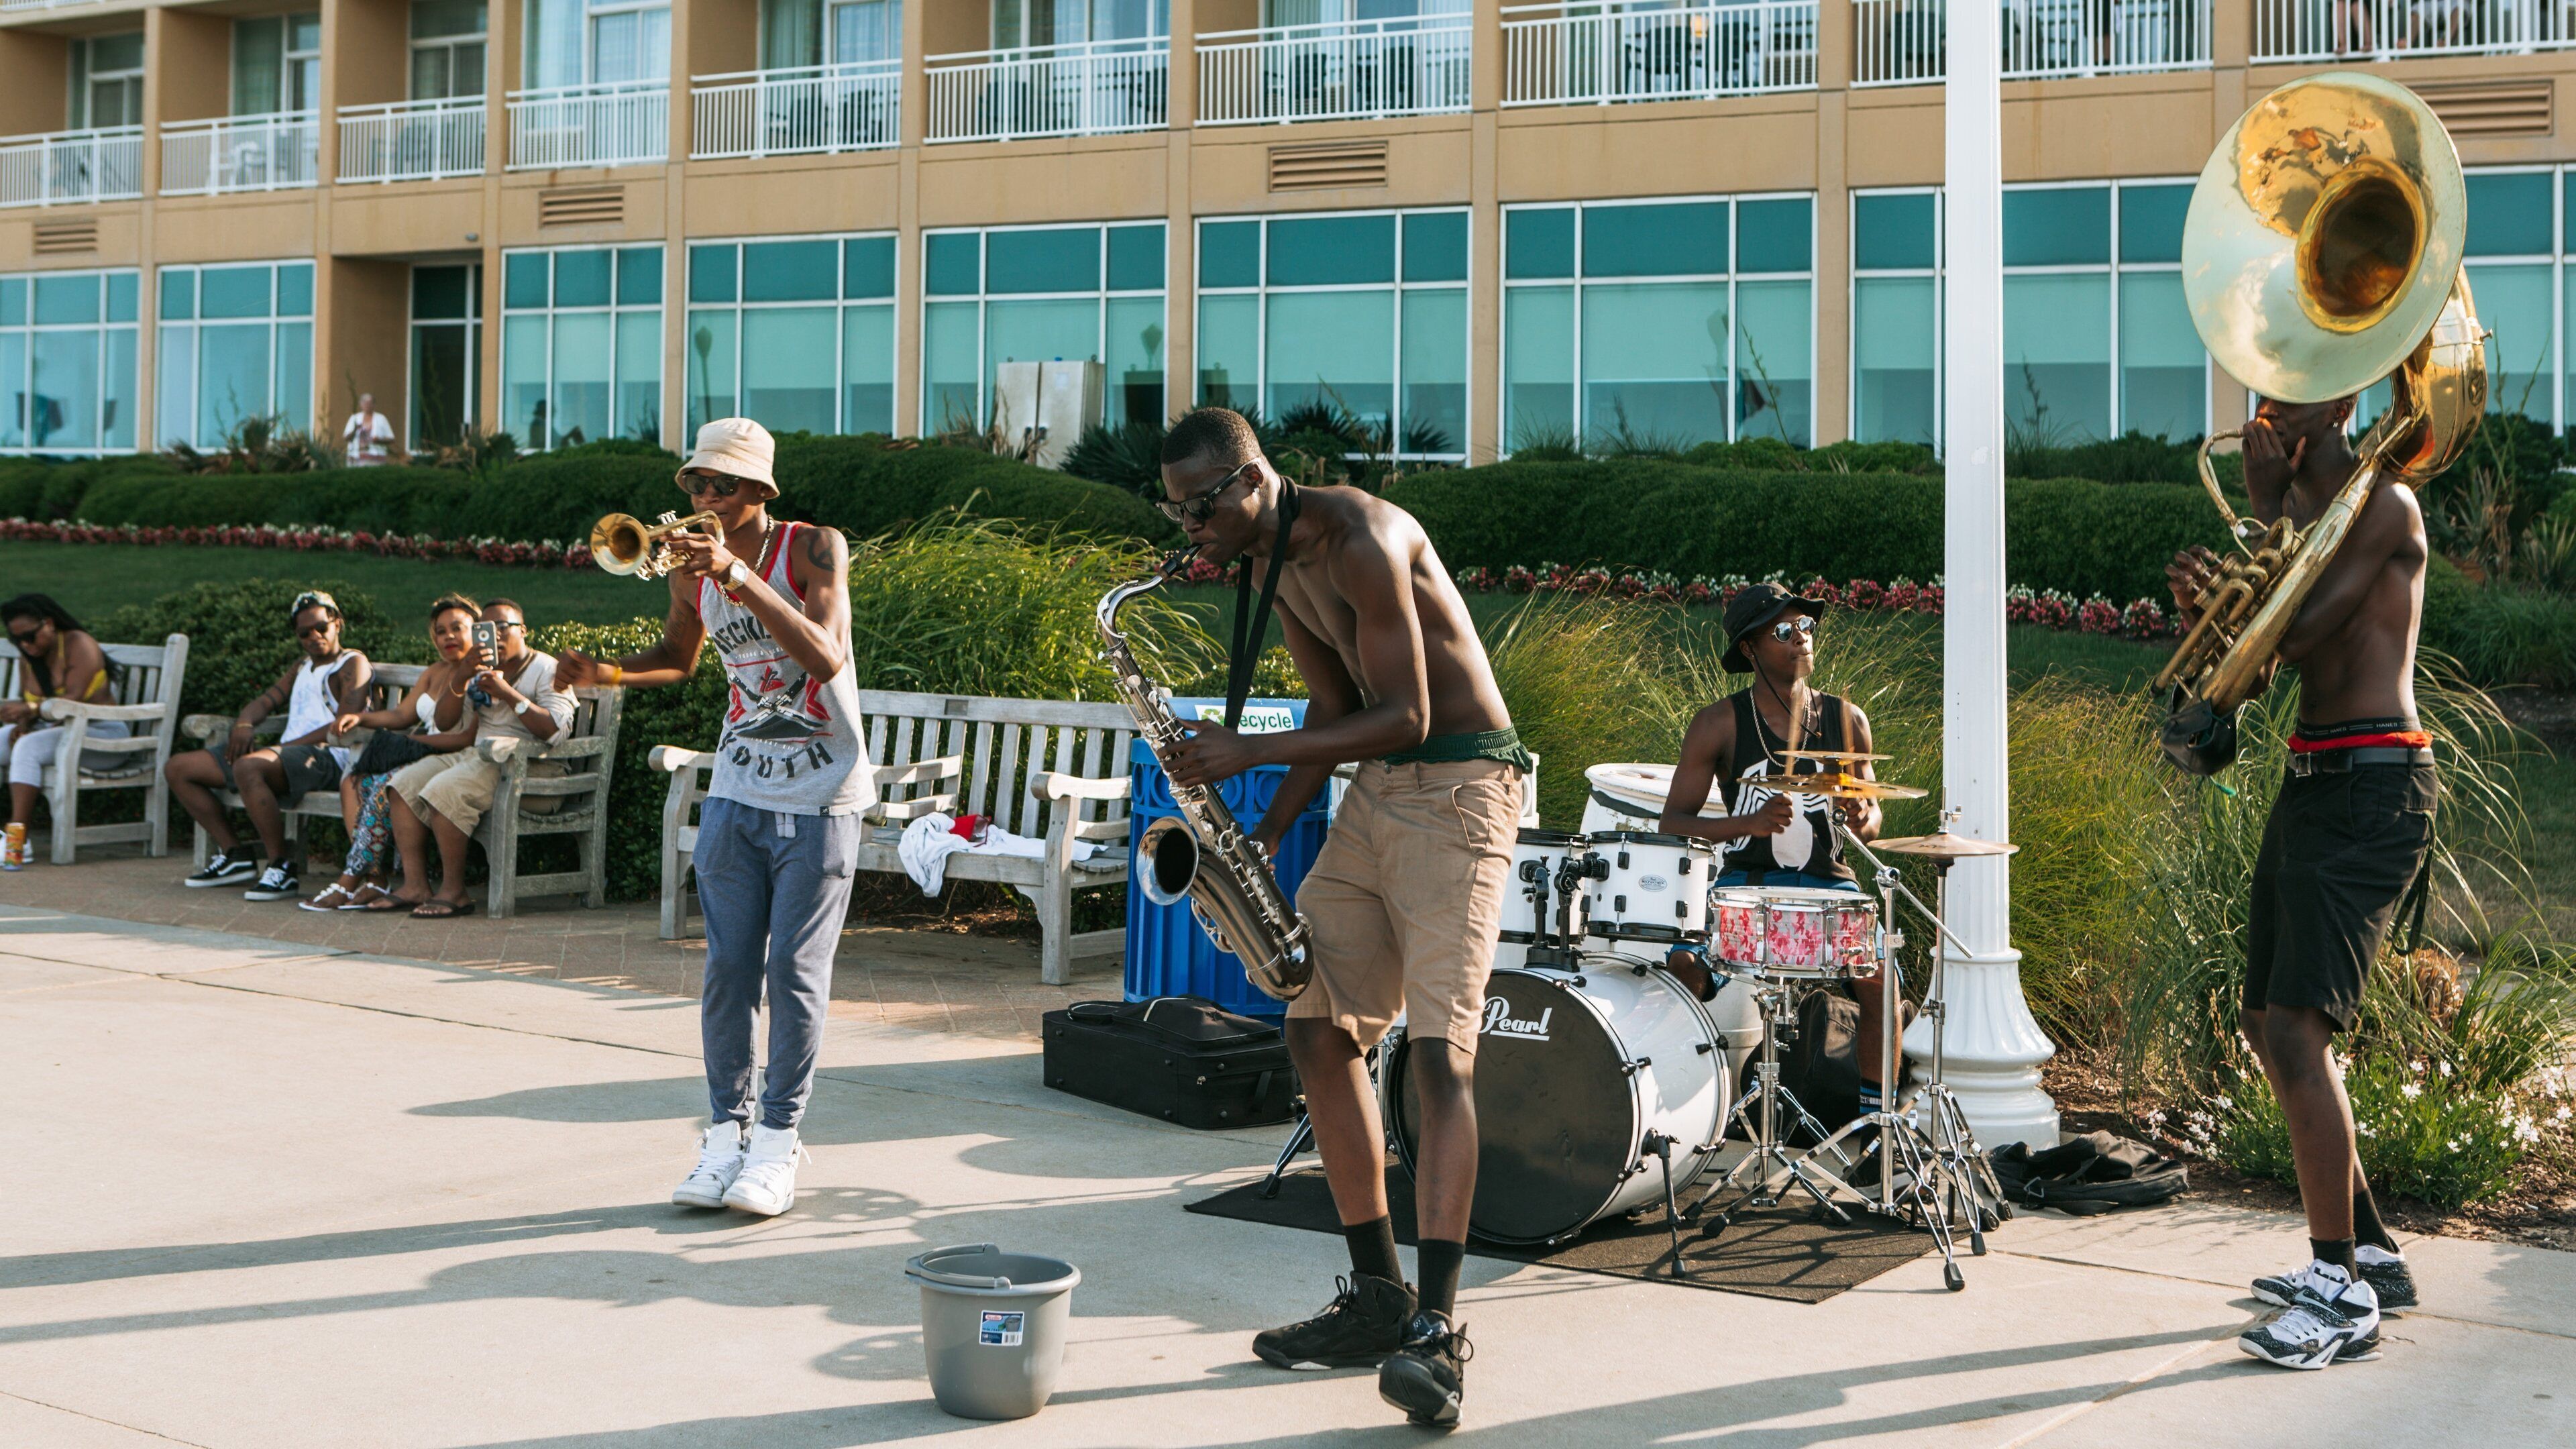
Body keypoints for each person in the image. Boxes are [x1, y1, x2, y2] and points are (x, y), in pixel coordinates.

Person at [1157, 407, 1525, 1428]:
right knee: (1315, 1030)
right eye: (1176, 510)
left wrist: (1244, 751)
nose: (1189, 529)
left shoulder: (1364, 535)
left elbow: (1407, 714)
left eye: (1198, 508)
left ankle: (1437, 1332)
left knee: (1440, 1056)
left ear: (1249, 480)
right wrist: (1267, 830)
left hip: (1460, 789)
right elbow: (1331, 714)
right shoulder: (1270, 569)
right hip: (1375, 797)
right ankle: (1376, 1296)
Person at [2167, 394, 2431, 1369]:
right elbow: (2252, 662)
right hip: (2318, 773)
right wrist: (2210, 598)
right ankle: (2367, 1251)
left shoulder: (2383, 506)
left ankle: (2338, 1292)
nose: (2266, 400)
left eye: (2293, 382)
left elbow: (2296, 628)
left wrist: (2261, 515)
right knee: (2259, 1017)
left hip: (2374, 781)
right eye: (2260, 382)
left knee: (2295, 1028)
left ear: (2347, 398)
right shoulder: (2316, 520)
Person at [554, 417, 873, 1220]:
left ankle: (777, 1140)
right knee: (728, 970)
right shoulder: (685, 571)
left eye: (720, 486)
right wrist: (609, 672)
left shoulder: (813, 547)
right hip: (737, 787)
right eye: (695, 484)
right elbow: (682, 658)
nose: (702, 497)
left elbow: (826, 655)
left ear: (760, 491)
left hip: (822, 791)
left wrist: (737, 573)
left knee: (792, 978)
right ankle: (725, 1135)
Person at [1654, 582, 1902, 1140]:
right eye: (1784, 632)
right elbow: (1673, 822)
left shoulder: (1848, 720)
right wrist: (1747, 823)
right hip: (1747, 884)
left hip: (1830, 886)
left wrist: (1865, 818)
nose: (1801, 640)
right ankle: (1680, 1110)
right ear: (1750, 649)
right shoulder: (1718, 724)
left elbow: (1873, 817)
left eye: (1807, 628)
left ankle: (1874, 1125)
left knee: (1881, 977)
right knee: (1685, 969)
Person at [168, 590, 372, 902]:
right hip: (291, 756)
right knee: (179, 768)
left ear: (338, 624)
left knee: (248, 766)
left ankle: (282, 866)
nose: (314, 636)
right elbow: (266, 701)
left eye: (321, 627)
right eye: (304, 633)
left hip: (329, 757)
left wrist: (286, 747)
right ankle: (236, 855)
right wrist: (244, 724)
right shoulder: (303, 666)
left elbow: (345, 722)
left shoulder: (351, 663)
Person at [381, 598, 574, 920]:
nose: (494, 635)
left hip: (532, 768)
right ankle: (415, 885)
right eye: (486, 629)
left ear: (523, 630)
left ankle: (454, 892)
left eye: (503, 627)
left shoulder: (547, 669)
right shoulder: (481, 669)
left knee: (445, 790)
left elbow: (555, 732)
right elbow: (444, 724)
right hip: (481, 757)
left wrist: (508, 693)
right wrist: (460, 680)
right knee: (403, 785)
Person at [299, 594, 483, 912]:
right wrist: (361, 718)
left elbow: (470, 739)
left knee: (385, 786)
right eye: (440, 631)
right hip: (423, 755)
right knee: (354, 781)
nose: (449, 636)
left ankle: (349, 879)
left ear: (478, 631)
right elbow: (401, 717)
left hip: (453, 760)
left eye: (458, 628)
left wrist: (418, 746)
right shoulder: (434, 672)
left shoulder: (482, 674)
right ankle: (375, 877)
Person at [1, 594, 127, 870]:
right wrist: (22, 726)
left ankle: (16, 841)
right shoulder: (29, 657)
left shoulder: (78, 643)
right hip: (57, 733)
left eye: (30, 636)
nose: (25, 645)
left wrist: (29, 711)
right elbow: (35, 709)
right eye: (17, 640)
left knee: (28, 748)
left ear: (48, 624)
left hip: (102, 736)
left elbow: (72, 701)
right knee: (10, 740)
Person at [343, 393, 394, 466]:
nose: (367, 405)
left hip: (376, 457)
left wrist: (379, 440)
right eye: (365, 403)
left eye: (370, 403)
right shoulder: (355, 418)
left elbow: (391, 439)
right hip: (356, 456)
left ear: (374, 405)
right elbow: (346, 438)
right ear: (361, 405)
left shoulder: (381, 418)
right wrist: (355, 430)